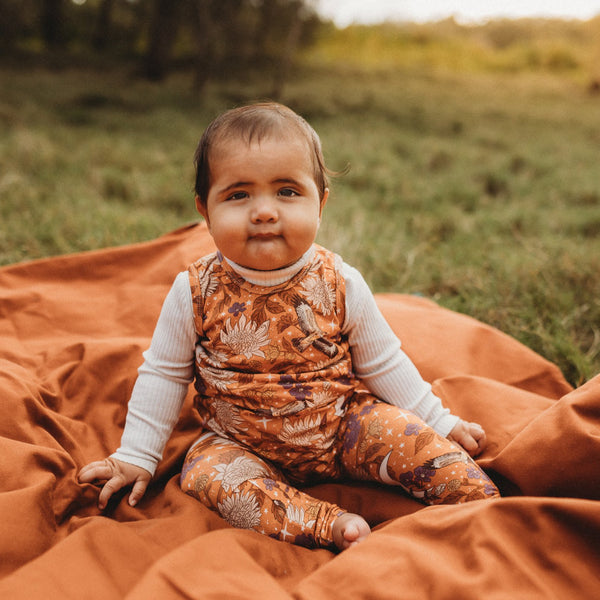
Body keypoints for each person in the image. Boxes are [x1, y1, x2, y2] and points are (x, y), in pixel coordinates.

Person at [78, 102, 500, 551]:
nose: (264, 211)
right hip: (238, 443)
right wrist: (136, 456)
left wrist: (438, 420)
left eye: (286, 192)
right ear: (205, 209)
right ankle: (323, 523)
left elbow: (383, 362)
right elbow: (163, 373)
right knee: (203, 475)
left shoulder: (340, 282)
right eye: (238, 195)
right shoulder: (193, 290)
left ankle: (479, 502)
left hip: (342, 427)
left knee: (411, 437)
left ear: (320, 202)